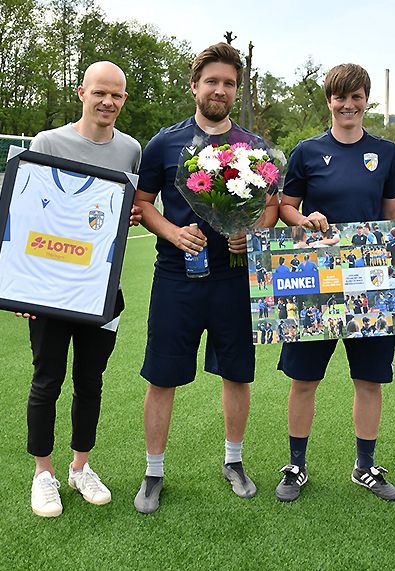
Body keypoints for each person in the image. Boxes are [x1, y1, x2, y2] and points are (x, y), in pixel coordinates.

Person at [133, 43, 278, 514]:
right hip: (177, 277)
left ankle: (233, 462)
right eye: (212, 81)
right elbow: (142, 203)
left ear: (237, 90)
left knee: (236, 372)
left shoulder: (253, 148)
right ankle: (154, 471)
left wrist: (250, 233)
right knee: (162, 374)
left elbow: (271, 205)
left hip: (234, 280)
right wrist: (174, 233)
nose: (220, 89)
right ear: (194, 86)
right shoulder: (165, 143)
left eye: (229, 83)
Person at [274, 63, 395, 503]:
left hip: (370, 281)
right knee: (304, 380)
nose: (348, 106)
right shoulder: (308, 151)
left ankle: (365, 466)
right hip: (316, 281)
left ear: (367, 99)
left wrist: (394, 274)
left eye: (356, 97)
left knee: (369, 379)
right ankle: (296, 465)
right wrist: (304, 218)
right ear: (328, 101)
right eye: (339, 98)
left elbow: (392, 214)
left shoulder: (385, 152)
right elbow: (286, 207)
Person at [20, 61, 142, 518]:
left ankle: (80, 467)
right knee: (47, 381)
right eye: (100, 93)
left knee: (91, 382)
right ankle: (43, 474)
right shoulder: (48, 142)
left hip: (102, 289)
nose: (108, 101)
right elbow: (30, 213)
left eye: (117, 95)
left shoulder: (131, 150)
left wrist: (130, 214)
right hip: (52, 290)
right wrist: (23, 288)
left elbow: (134, 206)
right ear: (82, 93)